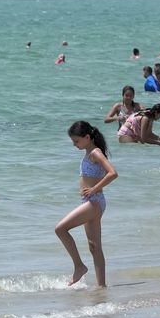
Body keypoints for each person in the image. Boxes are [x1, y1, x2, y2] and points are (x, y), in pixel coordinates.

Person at [55, 121, 118, 287]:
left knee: (60, 229)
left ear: (87, 137)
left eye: (76, 141)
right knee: (94, 246)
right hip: (91, 202)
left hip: (94, 202)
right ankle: (101, 287)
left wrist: (94, 189)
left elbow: (113, 173)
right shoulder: (89, 153)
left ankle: (79, 266)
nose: (74, 145)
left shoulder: (95, 153)